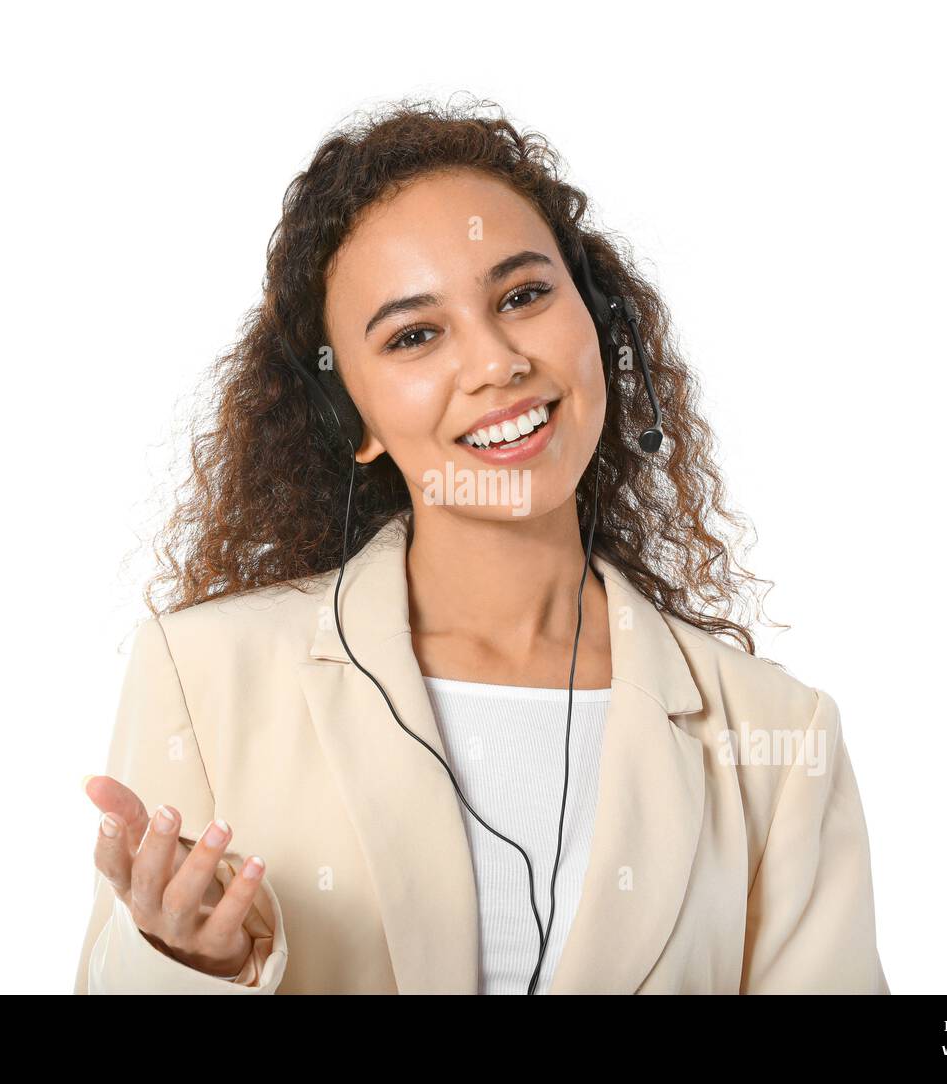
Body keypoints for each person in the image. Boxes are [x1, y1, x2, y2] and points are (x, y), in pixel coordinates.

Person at [74, 97, 890, 995]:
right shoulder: (204, 676)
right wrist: (195, 967)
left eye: (525, 295)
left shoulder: (776, 733)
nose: (497, 361)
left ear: (599, 323)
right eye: (415, 335)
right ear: (351, 417)